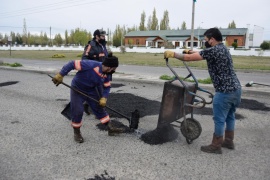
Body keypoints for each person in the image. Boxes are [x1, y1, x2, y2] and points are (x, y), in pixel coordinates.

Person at [164, 27, 242, 154]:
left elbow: (189, 58)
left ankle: (216, 145)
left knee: (219, 119)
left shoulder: (213, 51)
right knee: (230, 117)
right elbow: (202, 52)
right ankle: (228, 141)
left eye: (206, 40)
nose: (205, 42)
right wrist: (190, 51)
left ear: (212, 39)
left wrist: (174, 54)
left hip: (224, 92)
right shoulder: (223, 49)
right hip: (236, 90)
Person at [52, 54, 124, 143]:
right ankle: (77, 132)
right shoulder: (90, 65)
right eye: (114, 69)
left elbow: (107, 87)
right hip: (77, 89)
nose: (114, 71)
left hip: (91, 90)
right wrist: (61, 75)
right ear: (110, 67)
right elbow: (72, 64)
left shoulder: (107, 74)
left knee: (99, 108)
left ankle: (110, 128)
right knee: (78, 110)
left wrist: (104, 98)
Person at [82, 29, 110, 115]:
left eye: (104, 36)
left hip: (103, 72)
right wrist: (92, 68)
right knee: (100, 93)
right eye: (102, 36)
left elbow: (105, 57)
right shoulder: (90, 45)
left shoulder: (103, 45)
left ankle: (86, 104)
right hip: (94, 74)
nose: (104, 37)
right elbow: (84, 59)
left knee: (100, 92)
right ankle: (102, 113)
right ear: (97, 36)